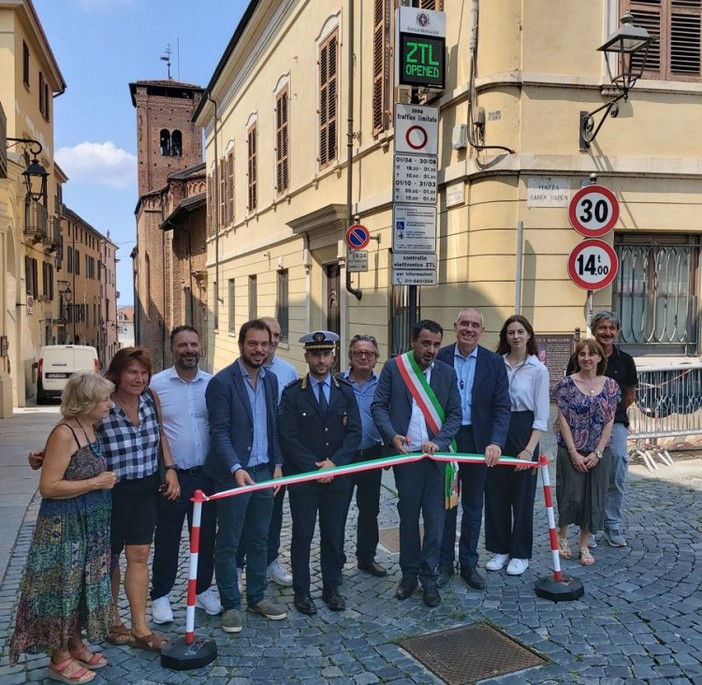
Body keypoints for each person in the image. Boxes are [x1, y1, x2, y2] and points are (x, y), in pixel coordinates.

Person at [10, 372, 116, 684]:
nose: (110, 404)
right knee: (61, 589)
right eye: (105, 399)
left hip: (88, 524)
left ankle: (75, 643)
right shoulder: (65, 433)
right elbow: (49, 487)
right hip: (64, 526)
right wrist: (96, 482)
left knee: (81, 586)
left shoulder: (91, 426)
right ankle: (57, 659)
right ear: (85, 403)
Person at [204, 319, 287, 634]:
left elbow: (273, 427)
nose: (259, 349)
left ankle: (257, 597)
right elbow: (219, 432)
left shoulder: (271, 380)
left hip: (265, 471)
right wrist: (235, 467)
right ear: (241, 345)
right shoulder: (222, 383)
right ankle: (230, 605)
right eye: (253, 344)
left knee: (259, 538)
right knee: (228, 541)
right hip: (233, 474)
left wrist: (277, 464)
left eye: (264, 344)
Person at [371, 320, 462, 607]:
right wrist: (391, 435)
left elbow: (455, 415)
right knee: (408, 519)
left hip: (437, 460)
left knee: (435, 522)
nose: (431, 350)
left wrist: (441, 442)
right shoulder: (395, 368)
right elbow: (378, 406)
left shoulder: (447, 373)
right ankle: (408, 575)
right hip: (406, 458)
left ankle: (429, 576)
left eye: (436, 344)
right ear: (413, 341)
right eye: (425, 343)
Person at [100, 347, 179, 652]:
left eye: (144, 372)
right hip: (111, 492)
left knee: (140, 554)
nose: (139, 378)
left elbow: (160, 435)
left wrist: (170, 469)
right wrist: (48, 455)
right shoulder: (103, 403)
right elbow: (77, 433)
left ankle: (140, 627)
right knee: (111, 556)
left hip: (146, 488)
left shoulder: (150, 398)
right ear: (117, 374)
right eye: (132, 372)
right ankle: (112, 620)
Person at [278, 331, 361, 615]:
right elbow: (287, 437)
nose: (321, 360)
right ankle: (302, 592)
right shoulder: (292, 393)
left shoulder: (345, 391)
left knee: (333, 534)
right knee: (302, 534)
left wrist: (334, 464)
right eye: (316, 354)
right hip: (304, 478)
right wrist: (314, 466)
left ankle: (331, 588)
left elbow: (354, 433)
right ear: (307, 357)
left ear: (334, 355)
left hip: (337, 477)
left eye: (326, 354)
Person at [149, 326, 221, 625]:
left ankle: (203, 588)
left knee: (205, 537)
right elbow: (154, 431)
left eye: (193, 344)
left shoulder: (214, 384)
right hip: (172, 476)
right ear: (172, 348)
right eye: (182, 345)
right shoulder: (156, 385)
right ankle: (161, 595)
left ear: (200, 346)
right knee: (167, 536)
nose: (189, 350)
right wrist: (167, 470)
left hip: (207, 475)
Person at [435, 308, 511, 590]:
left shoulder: (493, 363)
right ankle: (444, 563)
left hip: (479, 443)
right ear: (455, 326)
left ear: (482, 330)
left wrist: (496, 442)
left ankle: (468, 563)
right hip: (448, 441)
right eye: (464, 324)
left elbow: (503, 406)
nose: (469, 329)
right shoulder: (440, 356)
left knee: (473, 506)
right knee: (447, 504)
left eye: (475, 325)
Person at [484, 315, 549, 576]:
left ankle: (520, 553)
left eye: (520, 331)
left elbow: (542, 415)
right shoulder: (496, 364)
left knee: (522, 498)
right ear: (505, 337)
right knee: (496, 494)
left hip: (524, 430)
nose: (516, 337)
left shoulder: (538, 369)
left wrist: (529, 449)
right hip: (498, 430)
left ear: (529, 335)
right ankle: (500, 549)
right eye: (511, 332)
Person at [567, 311, 638, 548]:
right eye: (602, 328)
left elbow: (628, 396)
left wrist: (608, 414)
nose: (607, 332)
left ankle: (612, 525)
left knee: (616, 466)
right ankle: (590, 527)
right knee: (586, 474)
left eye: (612, 328)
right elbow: (571, 388)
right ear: (594, 330)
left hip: (615, 421)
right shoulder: (581, 356)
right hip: (583, 423)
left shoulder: (625, 360)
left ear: (617, 332)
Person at [555, 338, 620, 566]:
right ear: (577, 358)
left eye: (591, 354)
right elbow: (562, 419)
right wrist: (573, 453)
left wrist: (598, 452)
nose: (586, 358)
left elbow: (609, 421)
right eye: (582, 354)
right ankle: (561, 537)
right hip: (571, 448)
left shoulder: (611, 386)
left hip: (598, 451)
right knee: (571, 495)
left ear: (600, 357)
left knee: (594, 498)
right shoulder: (566, 384)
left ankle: (583, 544)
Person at [339, 334, 386, 577]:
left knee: (370, 510)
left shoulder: (384, 384)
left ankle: (366, 557)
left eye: (369, 353)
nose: (364, 356)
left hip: (372, 455)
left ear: (376, 358)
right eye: (358, 352)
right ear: (350, 356)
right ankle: (335, 560)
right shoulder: (337, 382)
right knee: (338, 510)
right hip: (343, 458)